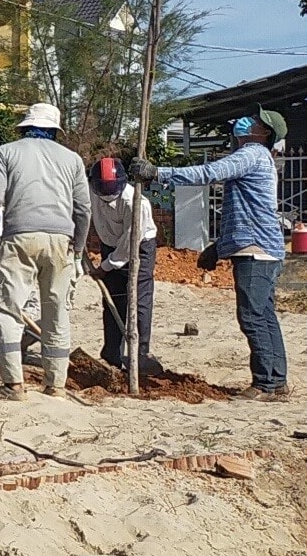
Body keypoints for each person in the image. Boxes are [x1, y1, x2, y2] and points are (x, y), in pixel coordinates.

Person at [130, 106, 290, 400]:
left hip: (256, 250)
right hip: (262, 247)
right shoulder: (261, 159)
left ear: (263, 133)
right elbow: (246, 212)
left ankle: (266, 384)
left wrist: (158, 173)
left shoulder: (251, 153)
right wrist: (218, 248)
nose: (247, 123)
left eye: (255, 121)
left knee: (253, 317)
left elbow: (209, 173)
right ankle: (276, 381)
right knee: (264, 315)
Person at [0, 102, 89, 401]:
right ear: (55, 130)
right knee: (56, 312)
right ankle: (55, 385)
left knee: (8, 309)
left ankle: (14, 385)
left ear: (24, 127)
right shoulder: (72, 160)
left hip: (19, 238)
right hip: (62, 241)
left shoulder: (6, 153)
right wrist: (79, 252)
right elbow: (84, 209)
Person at [86, 157, 160, 374]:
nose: (107, 196)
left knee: (138, 298)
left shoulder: (135, 203)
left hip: (139, 246)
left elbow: (129, 244)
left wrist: (105, 267)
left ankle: (140, 354)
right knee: (112, 299)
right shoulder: (91, 189)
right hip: (109, 244)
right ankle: (111, 353)